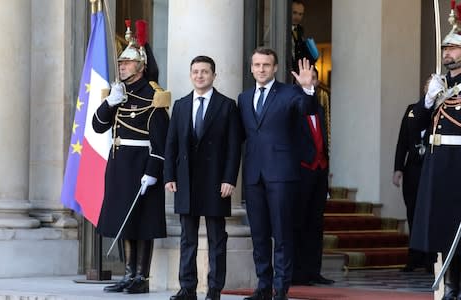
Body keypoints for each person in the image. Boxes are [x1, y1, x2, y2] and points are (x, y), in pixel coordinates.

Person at [92, 21, 170, 294]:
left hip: (141, 166)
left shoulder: (154, 96)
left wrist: (152, 171)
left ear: (140, 67)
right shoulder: (118, 93)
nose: (122, 66)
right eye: (121, 63)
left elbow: (160, 143)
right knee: (123, 219)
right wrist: (110, 102)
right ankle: (127, 274)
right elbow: (98, 126)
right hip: (118, 165)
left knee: (142, 222)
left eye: (127, 63)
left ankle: (142, 278)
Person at [238, 47, 316, 300]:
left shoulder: (290, 93)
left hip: (282, 174)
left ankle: (280, 289)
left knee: (282, 234)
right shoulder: (244, 97)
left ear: (275, 68)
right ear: (251, 68)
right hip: (253, 176)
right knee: (259, 234)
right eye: (257, 65)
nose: (261, 69)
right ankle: (263, 287)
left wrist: (307, 88)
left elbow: (308, 109)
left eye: (266, 65)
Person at [164, 55, 242, 300]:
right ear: (190, 75)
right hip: (186, 181)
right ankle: (187, 289)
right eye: (195, 71)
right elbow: (171, 144)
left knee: (217, 239)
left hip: (216, 182)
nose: (200, 76)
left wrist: (229, 178)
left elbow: (234, 147)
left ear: (213, 75)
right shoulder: (180, 105)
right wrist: (169, 175)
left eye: (205, 72)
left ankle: (214, 290)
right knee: (187, 239)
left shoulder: (227, 105)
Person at [410, 10, 461, 299]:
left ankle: (457, 285)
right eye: (445, 48)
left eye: (453, 48)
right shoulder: (438, 84)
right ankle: (451, 286)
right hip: (438, 162)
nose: (446, 53)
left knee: (457, 229)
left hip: (458, 162)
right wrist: (428, 99)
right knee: (442, 227)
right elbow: (414, 123)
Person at [292, 69, 334, 286]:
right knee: (298, 223)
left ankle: (313, 270)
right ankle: (297, 272)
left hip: (319, 172)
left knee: (316, 225)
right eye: (307, 78)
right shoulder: (294, 105)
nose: (312, 82)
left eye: (314, 78)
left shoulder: (319, 106)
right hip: (301, 171)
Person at [393, 101, 433, 273]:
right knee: (412, 212)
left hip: (431, 169)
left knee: (430, 214)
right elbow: (402, 141)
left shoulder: (440, 109)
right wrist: (398, 168)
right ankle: (414, 257)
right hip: (413, 171)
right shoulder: (412, 110)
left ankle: (431, 259)